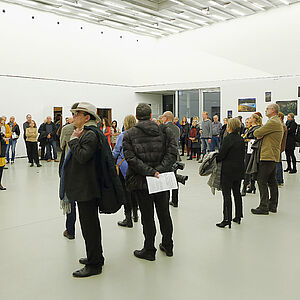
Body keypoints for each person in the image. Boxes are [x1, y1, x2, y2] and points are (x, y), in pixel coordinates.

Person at [123, 103, 177, 261]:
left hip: (143, 182)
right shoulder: (164, 130)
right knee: (164, 214)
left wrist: (150, 172)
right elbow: (172, 153)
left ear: (137, 116)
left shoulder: (129, 134)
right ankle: (168, 245)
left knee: (147, 217)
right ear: (151, 114)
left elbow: (131, 159)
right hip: (161, 180)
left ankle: (149, 249)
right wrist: (158, 170)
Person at [62, 102, 105, 277]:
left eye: (77, 114)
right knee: (90, 225)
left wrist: (73, 140)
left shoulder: (89, 135)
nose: (74, 117)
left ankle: (94, 264)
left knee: (89, 227)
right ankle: (95, 257)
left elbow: (82, 157)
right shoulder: (87, 133)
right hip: (85, 188)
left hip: (87, 189)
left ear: (87, 117)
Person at [251, 104, 283, 215]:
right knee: (272, 181)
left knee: (261, 180)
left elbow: (257, 132)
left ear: (273, 110)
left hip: (268, 156)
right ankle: (272, 205)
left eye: (267, 109)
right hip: (272, 155)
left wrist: (261, 134)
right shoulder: (276, 121)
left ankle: (264, 206)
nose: (265, 110)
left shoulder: (272, 122)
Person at [216, 118, 245, 228]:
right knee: (237, 193)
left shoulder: (228, 139)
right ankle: (238, 216)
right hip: (239, 169)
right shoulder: (241, 139)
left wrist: (216, 158)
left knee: (227, 195)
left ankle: (226, 219)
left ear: (230, 127)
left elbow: (222, 155)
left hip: (228, 170)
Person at [112, 115, 138, 228]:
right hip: (136, 166)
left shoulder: (122, 136)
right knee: (135, 192)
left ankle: (128, 219)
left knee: (126, 193)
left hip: (123, 167)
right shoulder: (139, 135)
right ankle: (136, 215)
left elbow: (116, 152)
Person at [60, 113, 76, 240]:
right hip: (86, 171)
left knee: (70, 202)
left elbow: (61, 146)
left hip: (70, 168)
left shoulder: (66, 129)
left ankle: (70, 231)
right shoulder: (93, 131)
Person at [162, 111, 180, 208]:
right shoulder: (177, 128)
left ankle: (166, 199)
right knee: (175, 178)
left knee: (166, 178)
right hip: (175, 156)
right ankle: (175, 200)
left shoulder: (164, 128)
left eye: (163, 117)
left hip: (166, 156)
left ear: (166, 117)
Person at [241, 114, 262, 196]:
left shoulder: (257, 128)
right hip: (248, 150)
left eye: (250, 118)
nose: (248, 120)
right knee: (249, 167)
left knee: (249, 168)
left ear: (253, 119)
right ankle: (252, 186)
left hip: (253, 150)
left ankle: (245, 187)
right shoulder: (250, 129)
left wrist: (246, 139)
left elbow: (255, 138)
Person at [276, 112, 287, 187]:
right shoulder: (283, 126)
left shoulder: (282, 126)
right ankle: (280, 180)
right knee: (278, 163)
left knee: (278, 163)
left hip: (278, 147)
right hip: (279, 147)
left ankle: (278, 180)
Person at [0, 118, 7, 190]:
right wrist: (3, 139)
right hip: (0, 152)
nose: (2, 125)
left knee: (1, 168)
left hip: (2, 152)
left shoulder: (2, 130)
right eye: (1, 123)